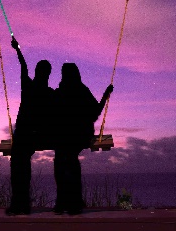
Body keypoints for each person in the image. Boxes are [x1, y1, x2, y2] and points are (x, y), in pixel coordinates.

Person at [53, 62, 113, 215]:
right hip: (80, 136)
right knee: (70, 161)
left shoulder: (60, 92)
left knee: (61, 161)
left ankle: (61, 202)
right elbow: (95, 114)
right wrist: (105, 96)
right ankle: (74, 202)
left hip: (65, 137)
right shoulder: (82, 90)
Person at [6, 36, 54, 216]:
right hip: (37, 135)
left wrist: (17, 49)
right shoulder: (49, 93)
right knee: (21, 168)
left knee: (19, 169)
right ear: (48, 74)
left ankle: (21, 204)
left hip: (24, 135)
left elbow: (23, 66)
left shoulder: (28, 85)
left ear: (37, 72)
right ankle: (22, 204)